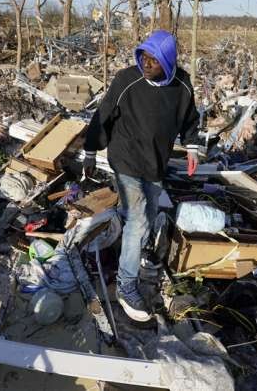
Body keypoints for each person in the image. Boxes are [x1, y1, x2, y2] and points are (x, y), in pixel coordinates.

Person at [83, 29, 200, 321]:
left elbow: (190, 119)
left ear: (168, 62)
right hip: (126, 160)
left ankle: (129, 248)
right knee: (137, 219)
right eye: (143, 58)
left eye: (153, 61)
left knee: (145, 217)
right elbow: (104, 114)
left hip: (155, 163)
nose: (146, 65)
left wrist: (192, 148)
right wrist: (89, 150)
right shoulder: (127, 79)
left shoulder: (182, 85)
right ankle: (126, 285)